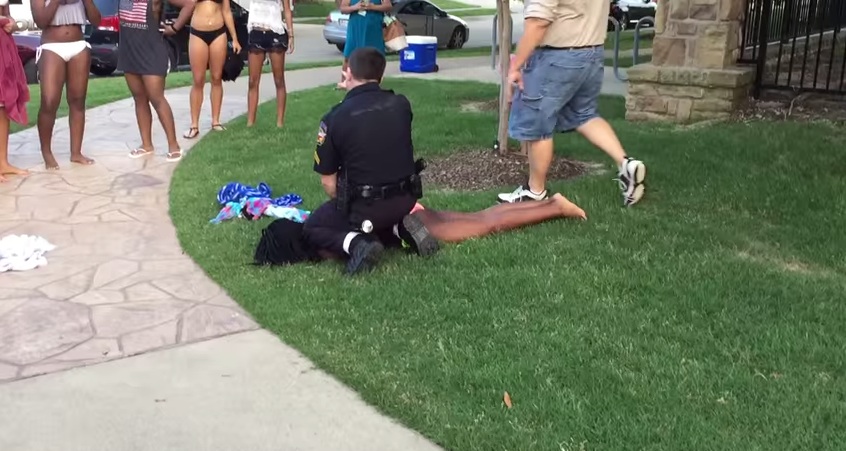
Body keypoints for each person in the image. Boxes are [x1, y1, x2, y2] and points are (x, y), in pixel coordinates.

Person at [498, 0, 647, 207]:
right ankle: (626, 164)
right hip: (592, 52)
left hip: (557, 55)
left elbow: (539, 21)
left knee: (537, 123)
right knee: (584, 114)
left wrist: (516, 66)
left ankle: (535, 191)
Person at [303, 47, 437, 276]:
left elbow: (328, 183)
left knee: (313, 226)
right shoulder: (401, 105)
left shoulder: (335, 117)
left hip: (364, 207)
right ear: (381, 77)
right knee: (381, 211)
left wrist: (347, 205)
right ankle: (400, 228)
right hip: (405, 201)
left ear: (348, 73)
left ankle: (357, 243)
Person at [254, 193, 588, 267]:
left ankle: (555, 208)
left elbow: (361, 245)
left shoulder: (314, 233)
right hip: (400, 209)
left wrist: (353, 270)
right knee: (482, 216)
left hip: (405, 220)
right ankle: (551, 203)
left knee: (487, 224)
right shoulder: (316, 220)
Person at [30, 0, 100, 170]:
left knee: (77, 100)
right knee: (49, 101)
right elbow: (40, 21)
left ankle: (76, 152)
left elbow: (97, 20)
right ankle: (47, 153)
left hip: (78, 46)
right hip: (51, 47)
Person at [120, 0, 191, 162]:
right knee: (139, 98)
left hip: (151, 52)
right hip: (129, 51)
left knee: (157, 98)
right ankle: (146, 145)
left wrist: (174, 28)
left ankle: (174, 146)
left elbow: (189, 4)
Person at [182, 0, 241, 139]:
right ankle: (194, 125)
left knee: (216, 77)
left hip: (218, 32)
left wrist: (234, 38)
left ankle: (216, 121)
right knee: (198, 80)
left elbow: (226, 11)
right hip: (197, 32)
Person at [245, 0, 294, 128]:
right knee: (252, 81)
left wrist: (291, 35)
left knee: (279, 80)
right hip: (256, 31)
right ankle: (250, 123)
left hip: (275, 33)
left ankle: (280, 123)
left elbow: (287, 10)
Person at [0, 7, 30, 182]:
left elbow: (6, 13)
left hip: (4, 45)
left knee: (3, 106)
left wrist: (11, 22)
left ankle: (2, 162)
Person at [336, 0, 390, 89]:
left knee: (376, 56)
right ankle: (344, 82)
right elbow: (343, 9)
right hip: (356, 27)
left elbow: (388, 6)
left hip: (374, 28)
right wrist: (355, 7)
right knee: (349, 54)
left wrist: (372, 7)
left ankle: (375, 83)